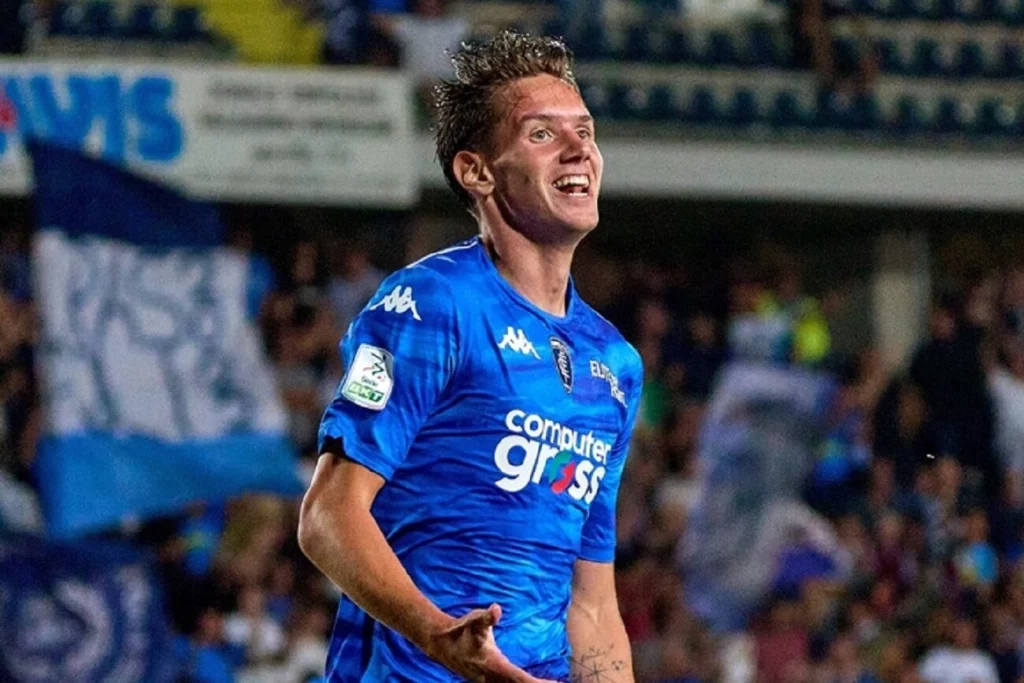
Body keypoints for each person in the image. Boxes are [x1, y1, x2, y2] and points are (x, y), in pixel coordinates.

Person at [297, 29, 642, 683]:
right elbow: (326, 515)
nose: (579, 149)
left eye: (585, 131)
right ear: (476, 171)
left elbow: (592, 603)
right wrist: (440, 638)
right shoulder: (432, 304)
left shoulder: (615, 362)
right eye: (542, 133)